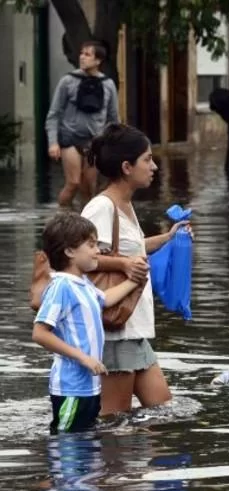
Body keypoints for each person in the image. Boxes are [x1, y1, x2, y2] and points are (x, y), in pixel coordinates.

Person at [80, 123, 191, 416]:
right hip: (117, 332)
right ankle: (107, 462)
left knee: (164, 410)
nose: (154, 166)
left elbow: (132, 248)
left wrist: (168, 238)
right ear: (127, 166)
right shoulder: (100, 208)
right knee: (113, 420)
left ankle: (134, 462)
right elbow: (81, 260)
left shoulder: (125, 206)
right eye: (148, 159)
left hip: (133, 328)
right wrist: (125, 264)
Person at [31, 212, 140, 434]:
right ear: (70, 251)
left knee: (84, 441)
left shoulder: (83, 284)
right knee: (67, 442)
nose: (97, 251)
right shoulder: (61, 287)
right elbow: (40, 333)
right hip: (71, 387)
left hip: (88, 386)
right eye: (91, 245)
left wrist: (136, 280)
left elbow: (106, 299)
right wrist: (83, 358)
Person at [45, 41, 119, 209]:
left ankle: (84, 224)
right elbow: (54, 114)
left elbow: (114, 118)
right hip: (70, 138)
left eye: (87, 54)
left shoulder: (108, 84)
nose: (82, 57)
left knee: (88, 187)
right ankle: (61, 219)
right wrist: (53, 142)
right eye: (81, 53)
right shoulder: (67, 81)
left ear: (98, 60)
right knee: (73, 182)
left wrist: (114, 144)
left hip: (94, 141)